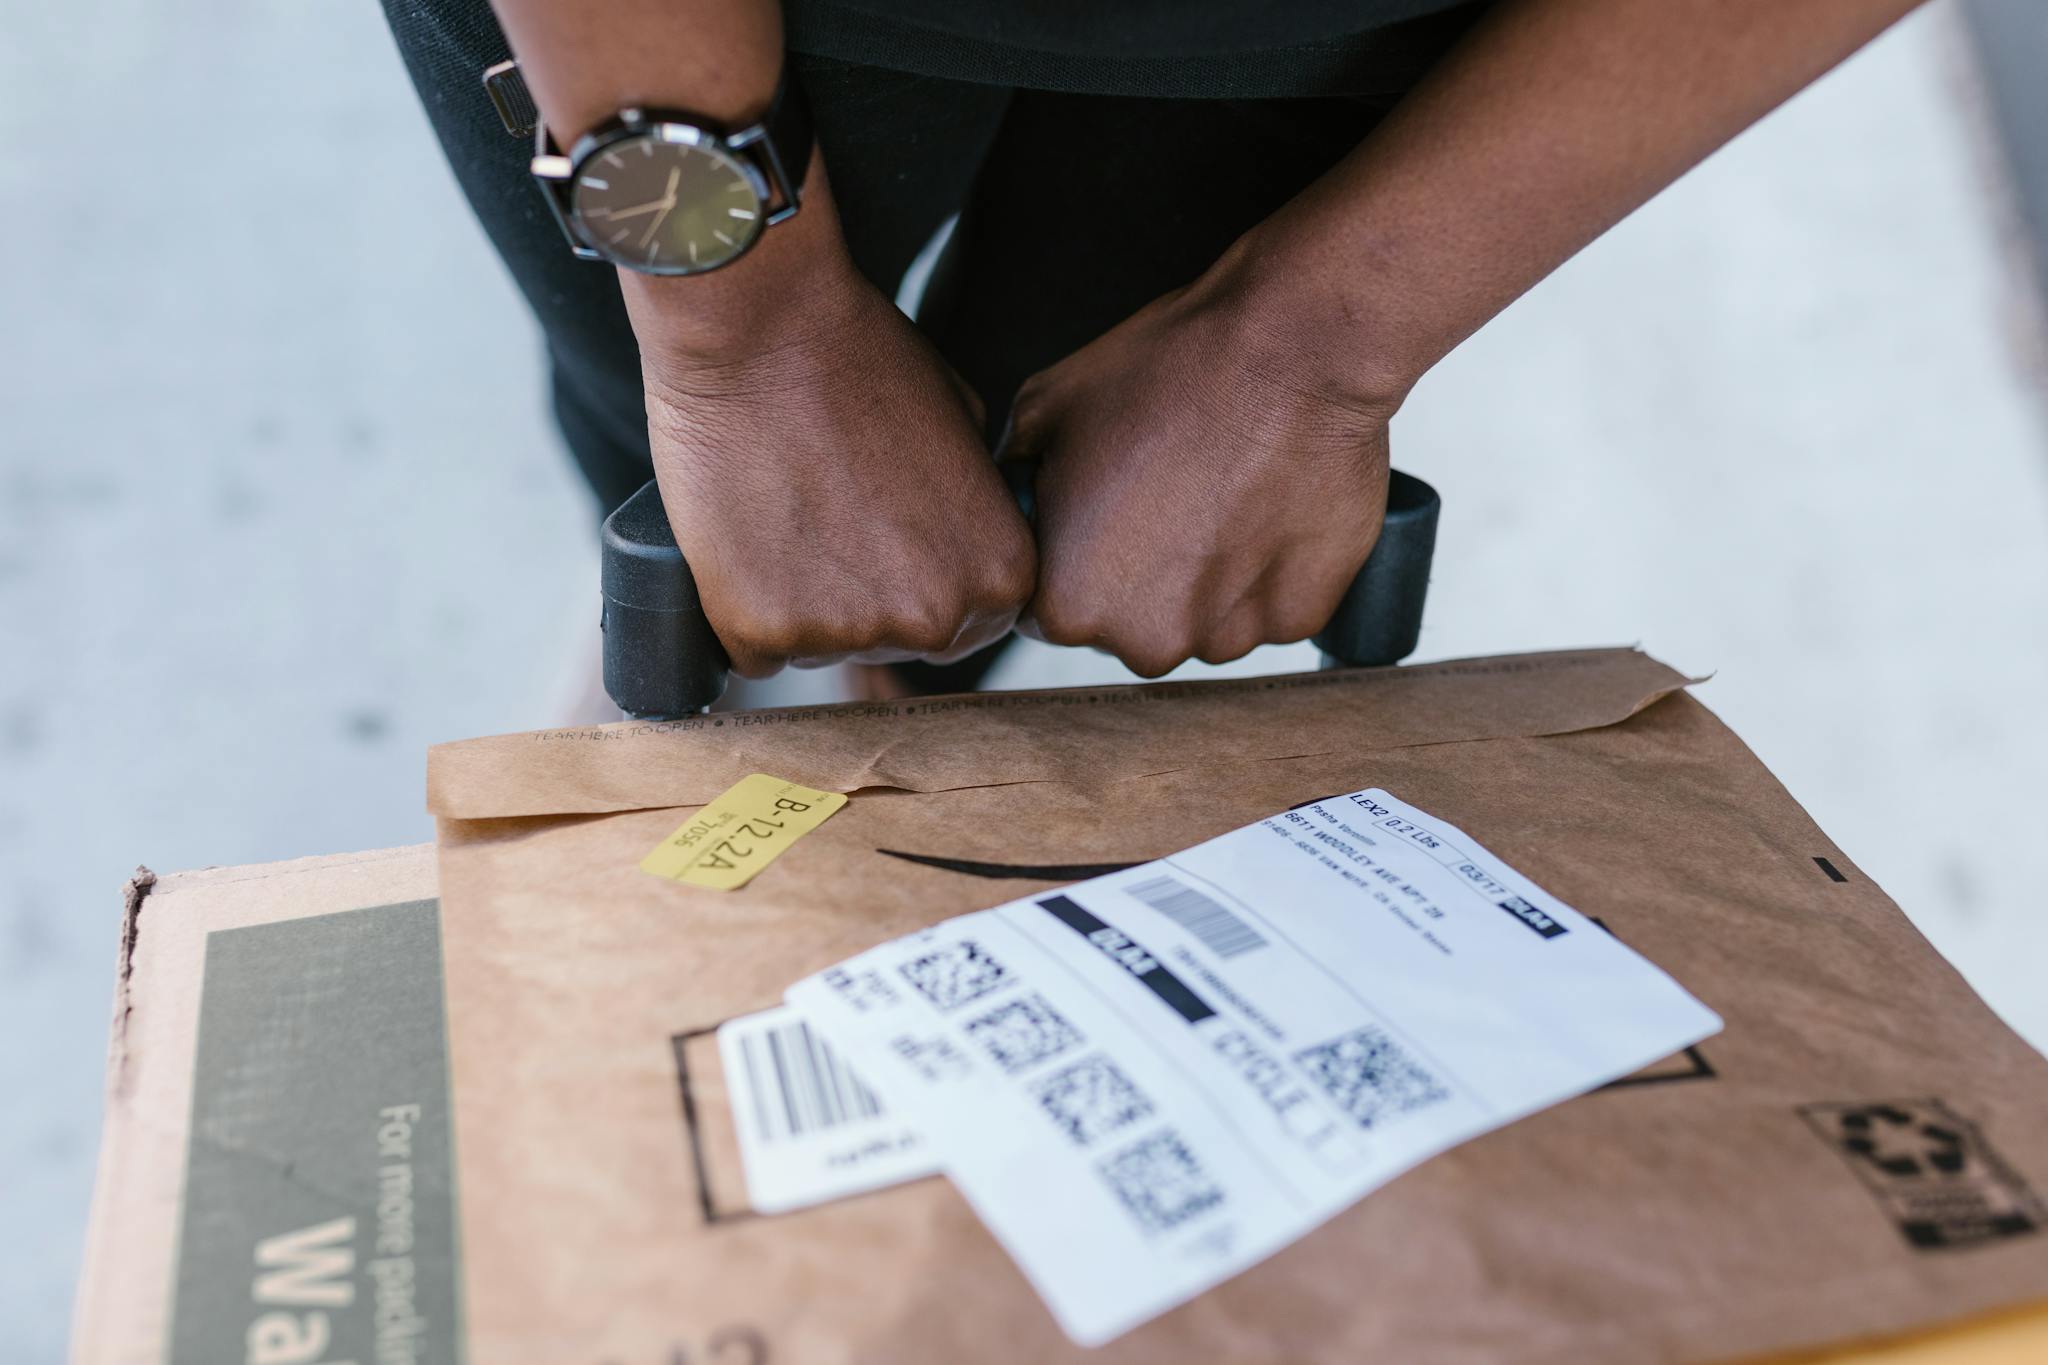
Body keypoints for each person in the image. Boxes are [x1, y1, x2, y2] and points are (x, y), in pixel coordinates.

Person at [382, 0, 1921, 693]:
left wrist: (1314, 341)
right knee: (659, 424)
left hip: (1330, 26)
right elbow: (721, 365)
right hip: (666, 40)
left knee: (1060, 491)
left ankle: (909, 700)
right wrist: (748, 341)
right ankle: (721, 650)